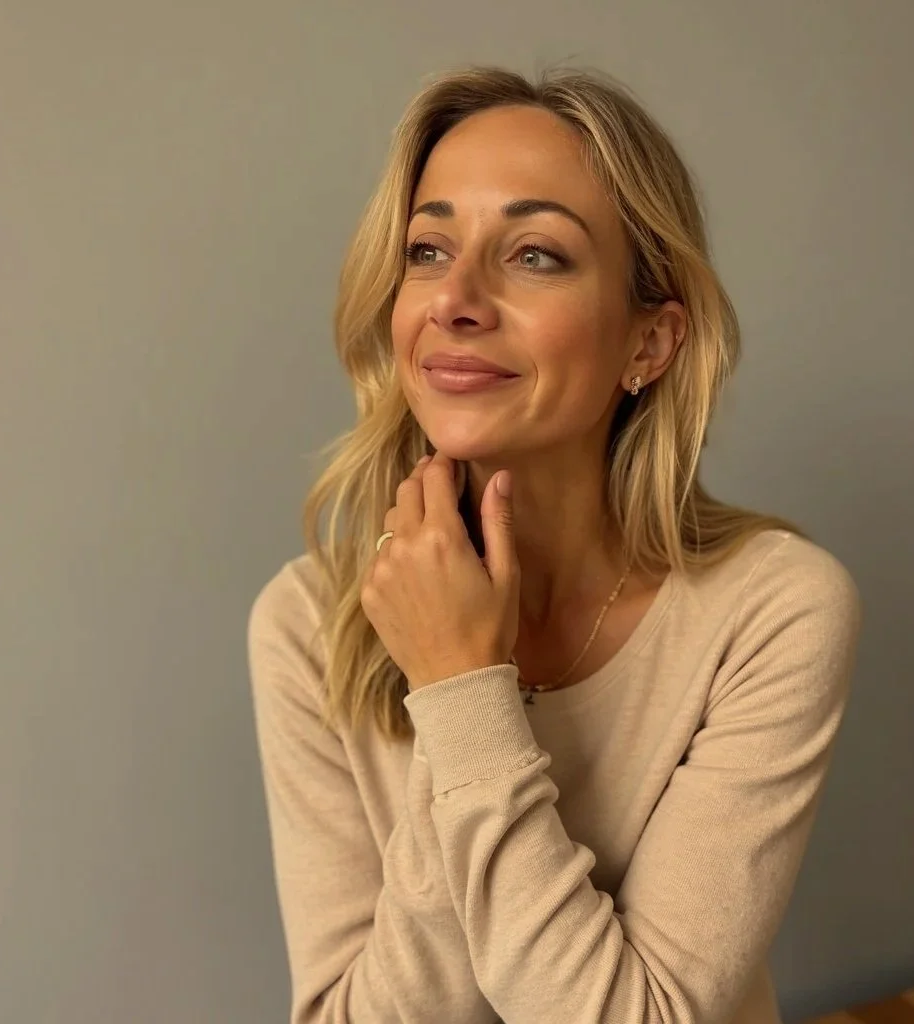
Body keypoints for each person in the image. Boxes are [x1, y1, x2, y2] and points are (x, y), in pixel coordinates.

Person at [247, 64, 862, 1024]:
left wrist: (461, 693)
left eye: (534, 254)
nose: (455, 300)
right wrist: (457, 691)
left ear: (649, 344)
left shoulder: (772, 613)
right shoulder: (306, 624)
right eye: (427, 249)